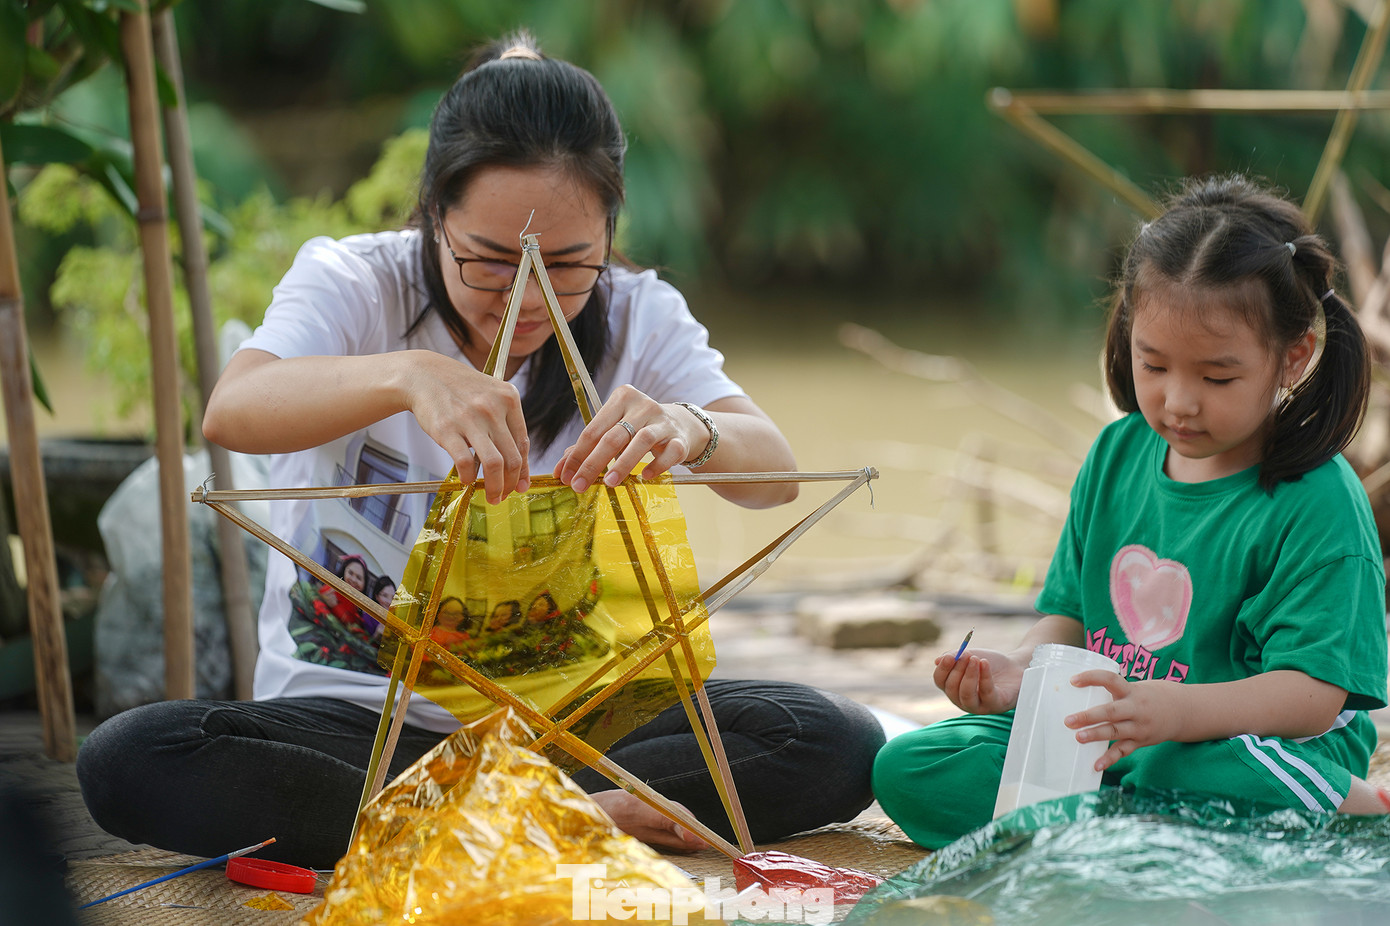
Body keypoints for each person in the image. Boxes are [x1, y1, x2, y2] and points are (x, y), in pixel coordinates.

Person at [77, 31, 884, 868]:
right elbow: (234, 410)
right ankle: (547, 819)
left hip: (574, 725)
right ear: (435, 213)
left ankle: (494, 818)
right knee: (133, 759)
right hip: (362, 730)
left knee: (832, 740)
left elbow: (774, 476)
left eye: (568, 265)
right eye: (491, 261)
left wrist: (690, 428)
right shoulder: (357, 283)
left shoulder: (639, 314)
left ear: (608, 232)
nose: (526, 298)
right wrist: (408, 376)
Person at [873, 175, 1390, 848]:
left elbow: (1312, 698)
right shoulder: (1117, 454)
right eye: (1154, 366)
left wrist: (1173, 712)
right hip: (1114, 735)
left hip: (1251, 747)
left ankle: (1349, 808)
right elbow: (1068, 620)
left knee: (1195, 768)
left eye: (1217, 377)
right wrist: (1022, 673)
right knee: (913, 767)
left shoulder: (1317, 501)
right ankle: (1138, 828)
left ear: (1293, 358)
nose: (1179, 402)